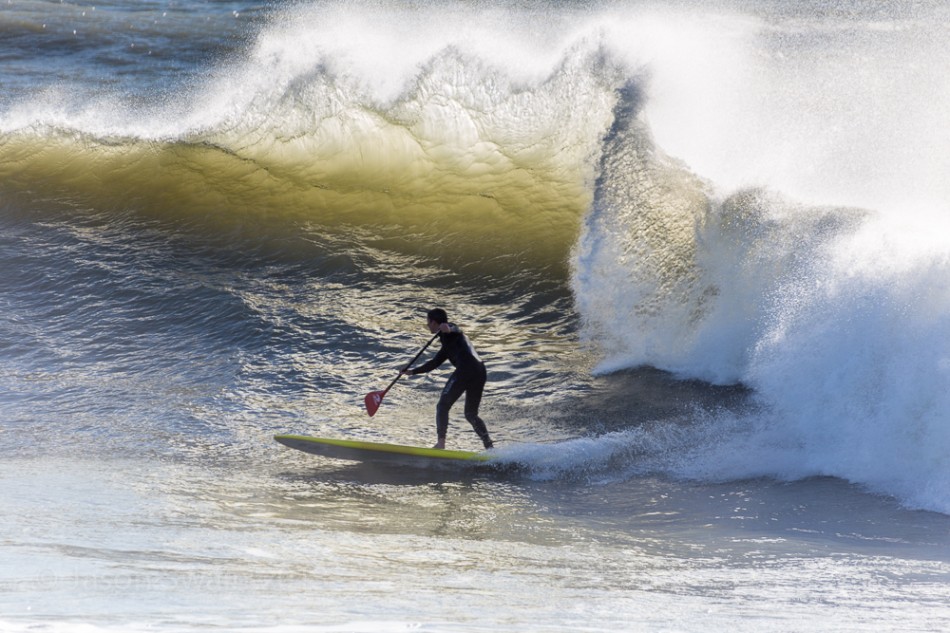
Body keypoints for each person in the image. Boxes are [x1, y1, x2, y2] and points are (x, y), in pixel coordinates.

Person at [402, 308, 494, 450]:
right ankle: (489, 447)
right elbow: (434, 363)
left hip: (467, 370)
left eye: (428, 322)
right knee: (470, 414)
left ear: (434, 322)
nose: (427, 326)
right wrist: (413, 371)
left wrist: (448, 328)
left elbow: (455, 329)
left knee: (442, 405)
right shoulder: (447, 344)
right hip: (480, 371)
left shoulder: (452, 332)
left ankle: (441, 444)